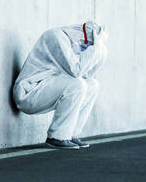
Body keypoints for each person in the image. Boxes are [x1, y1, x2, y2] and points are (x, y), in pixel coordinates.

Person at [13, 21, 108, 150]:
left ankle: (70, 133)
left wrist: (100, 48)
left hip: (46, 87)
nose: (86, 47)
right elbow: (76, 70)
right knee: (77, 84)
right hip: (30, 92)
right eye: (89, 42)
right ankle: (57, 137)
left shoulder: (76, 44)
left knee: (92, 85)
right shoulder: (56, 36)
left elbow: (87, 75)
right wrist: (95, 48)